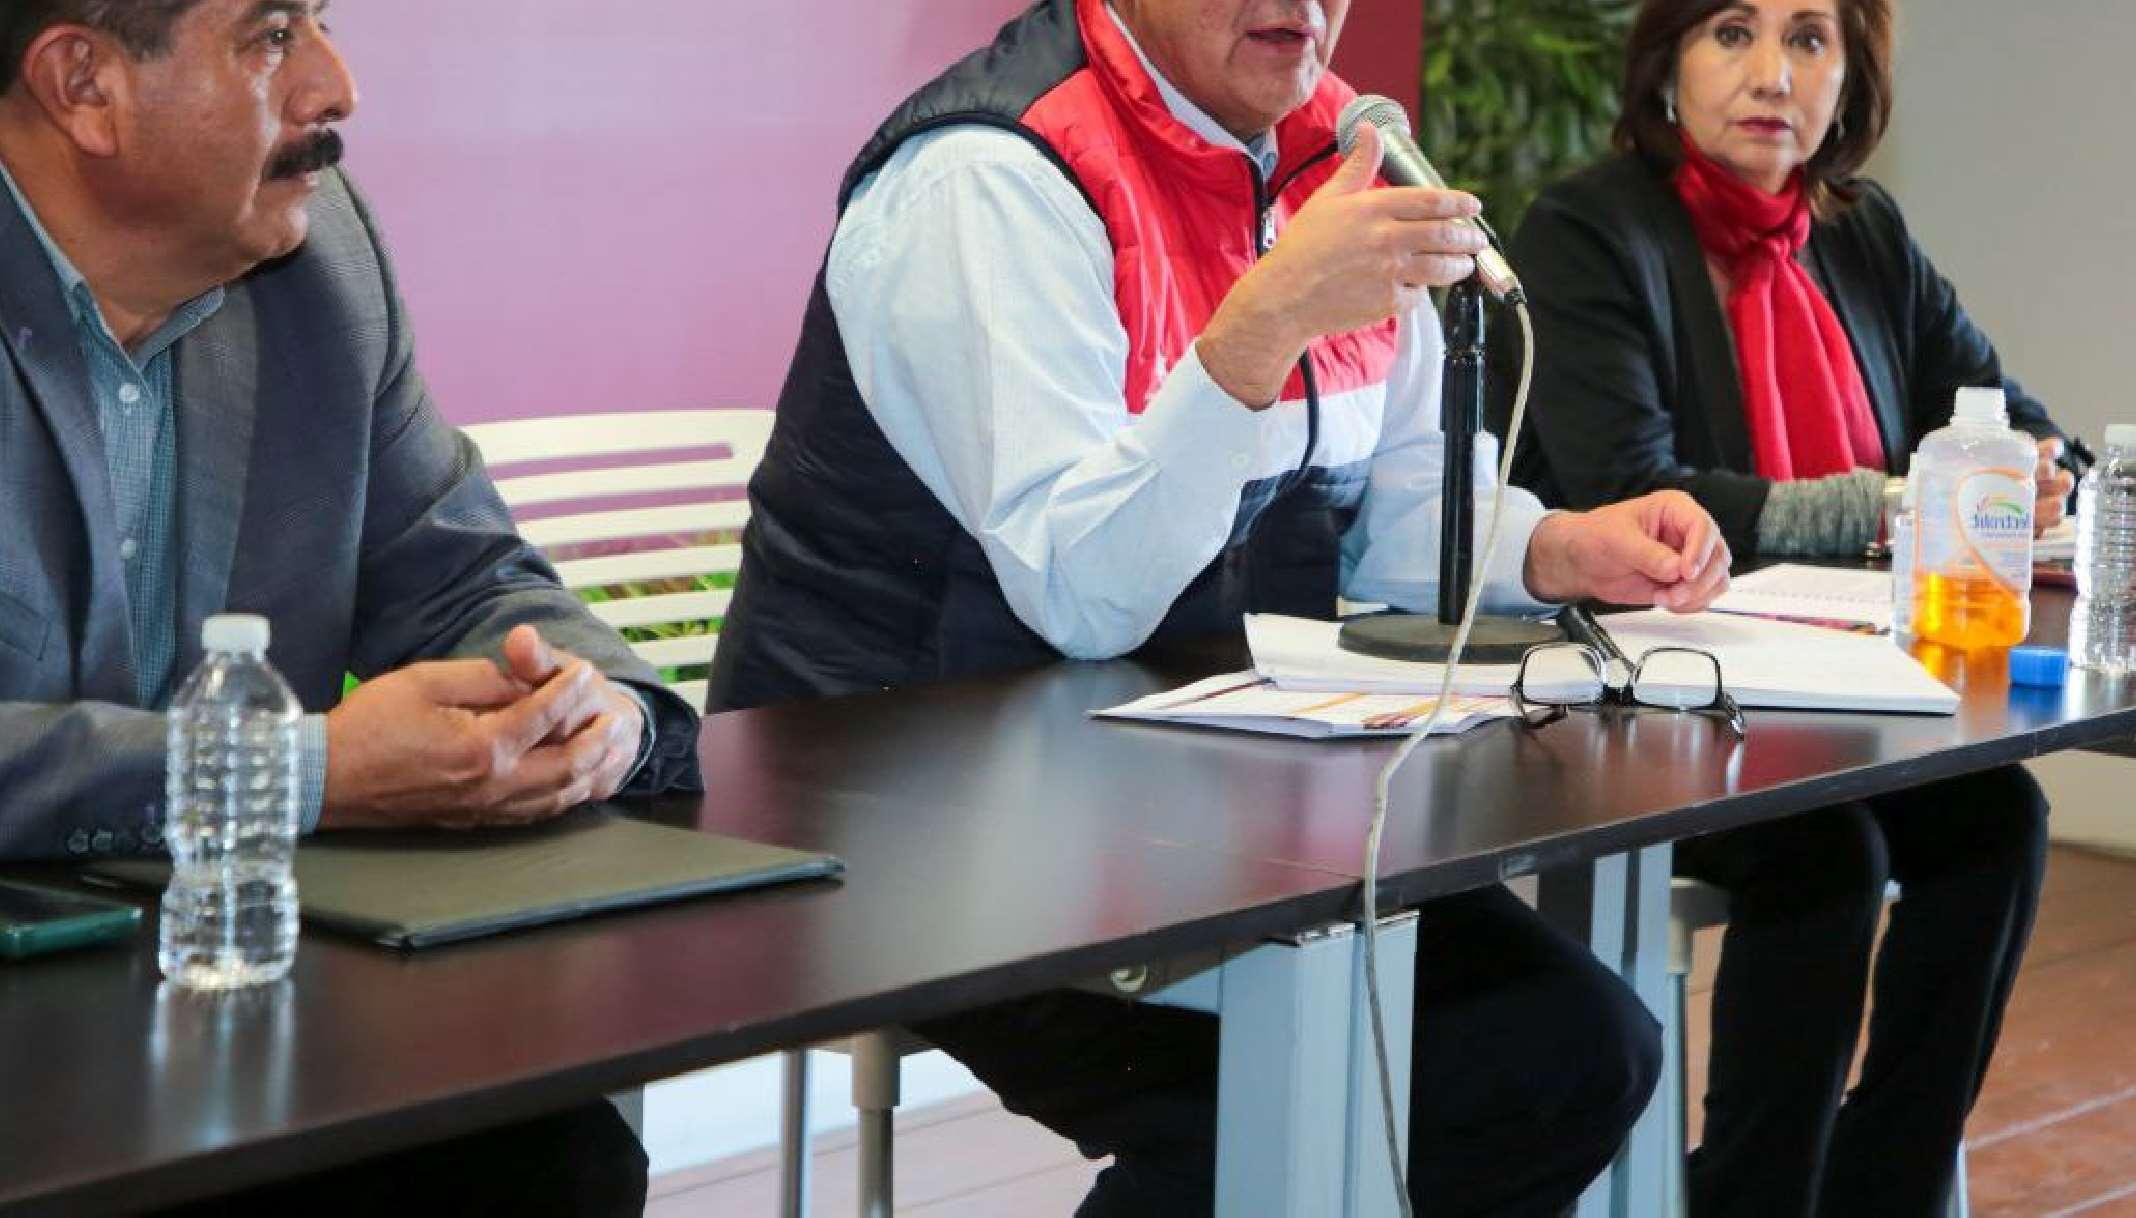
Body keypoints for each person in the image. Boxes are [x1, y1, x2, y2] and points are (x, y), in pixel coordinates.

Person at [708, 0, 1737, 1212]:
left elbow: (1392, 516)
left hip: (1176, 790)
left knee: (1572, 1053)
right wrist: (1259, 328)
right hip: (888, 810)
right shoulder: (989, 178)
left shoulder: (1337, 156)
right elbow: (1081, 593)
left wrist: (1560, 548)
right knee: (1333, 1102)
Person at [0, 1, 703, 1213]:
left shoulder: (322, 262)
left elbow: (461, 571)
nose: (336, 86)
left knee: (551, 1160)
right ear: (84, 85)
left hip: (227, 976)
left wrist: (592, 710)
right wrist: (298, 771)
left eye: (322, 22)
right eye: (272, 34)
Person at [1493, 2, 2052, 1214]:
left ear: (1849, 77)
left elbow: (1997, 414)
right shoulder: (1587, 229)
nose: (1771, 74)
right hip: (1644, 702)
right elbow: (1630, 491)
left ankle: (1882, 1189)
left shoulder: (1863, 232)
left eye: (1808, 40)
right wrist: (1894, 503)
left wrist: (2044, 469)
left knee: (1999, 820)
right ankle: (1753, 1196)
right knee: (1827, 855)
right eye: (1732, 32)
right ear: (1668, 62)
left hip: (1841, 695)